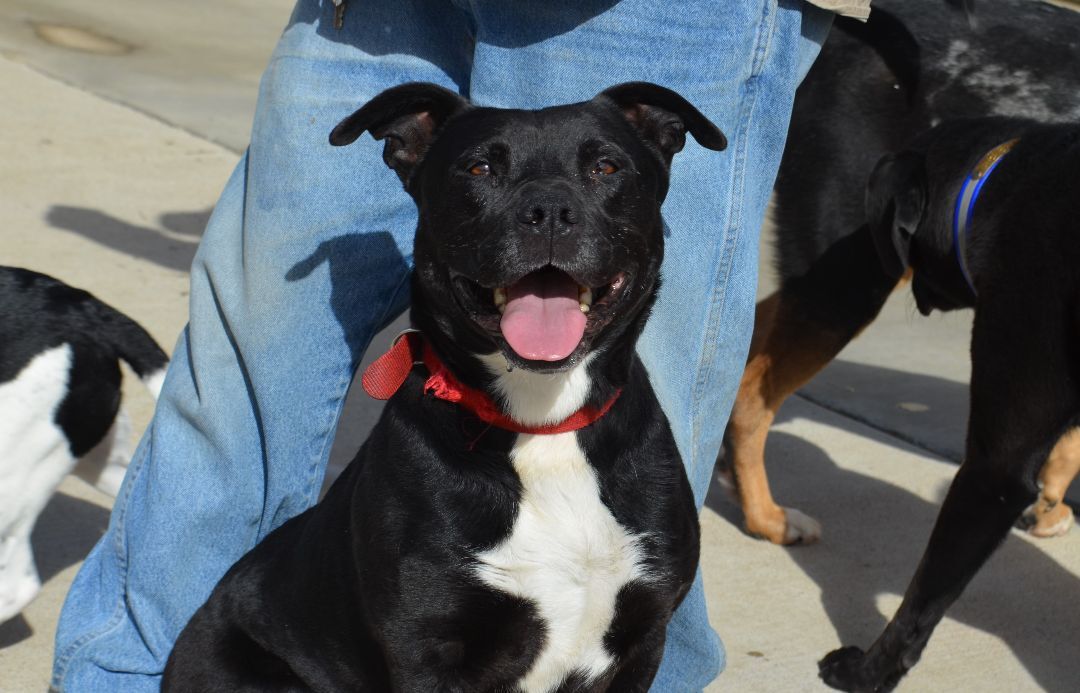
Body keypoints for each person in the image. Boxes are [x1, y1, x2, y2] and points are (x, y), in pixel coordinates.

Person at [51, 0, 850, 690]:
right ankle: (121, 671)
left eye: (604, 167)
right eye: (486, 173)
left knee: (650, 420)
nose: (547, 210)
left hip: (642, 12)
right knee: (251, 339)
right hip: (372, 13)